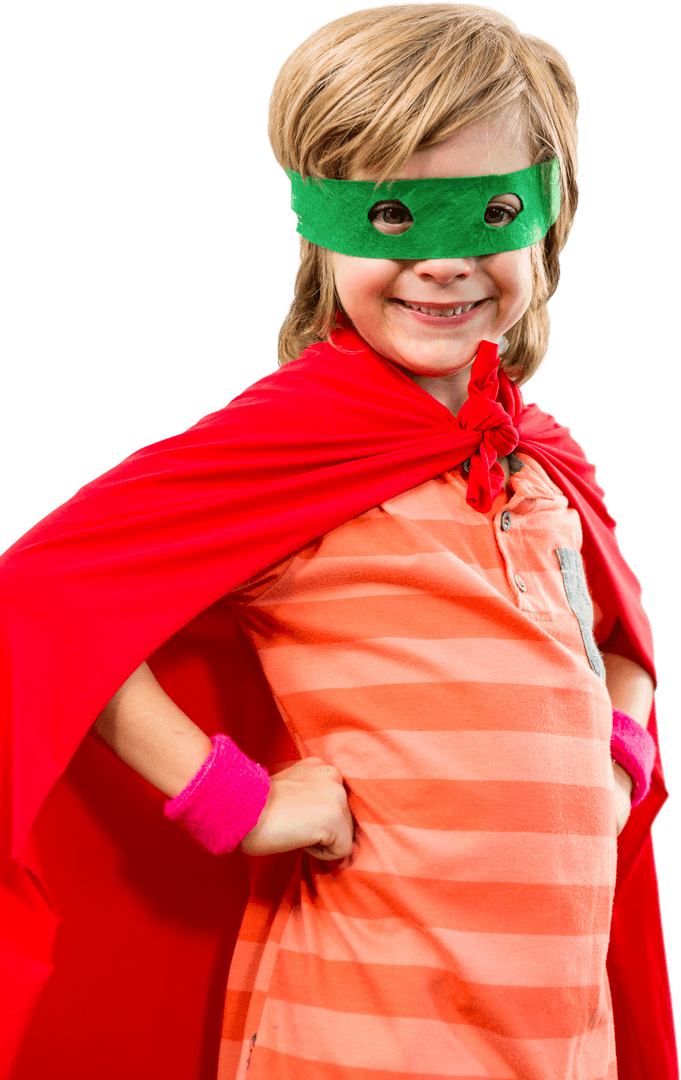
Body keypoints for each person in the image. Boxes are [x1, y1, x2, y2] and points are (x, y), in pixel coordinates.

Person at [1, 5, 676, 1080]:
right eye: (395, 216)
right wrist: (234, 800)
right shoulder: (294, 442)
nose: (445, 263)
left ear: (554, 214)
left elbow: (622, 630)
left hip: (555, 1039)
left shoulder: (542, 460)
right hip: (352, 1035)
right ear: (320, 227)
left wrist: (622, 754)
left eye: (490, 210)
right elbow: (39, 599)